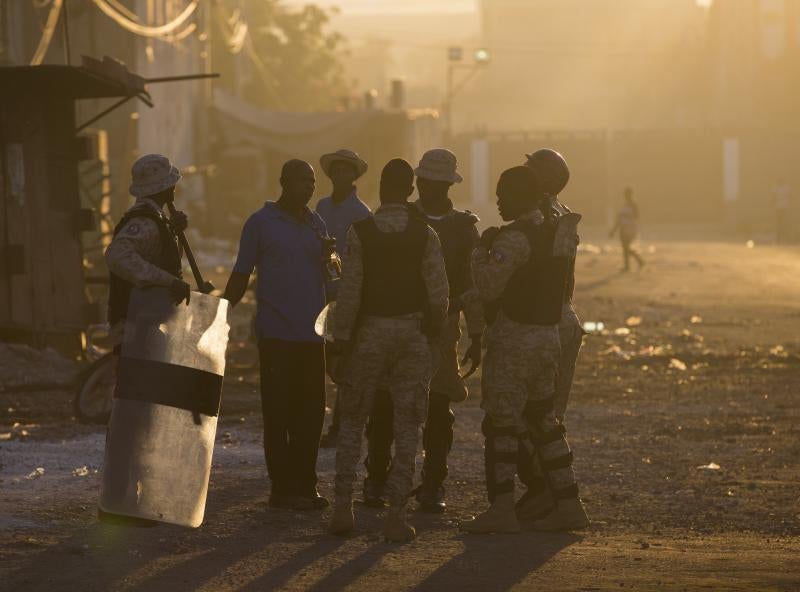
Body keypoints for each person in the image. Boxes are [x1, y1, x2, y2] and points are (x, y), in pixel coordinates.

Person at [461, 166, 588, 534]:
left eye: (504, 194)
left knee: (503, 424)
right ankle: (569, 504)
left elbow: (488, 287)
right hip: (548, 338)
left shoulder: (514, 238)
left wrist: (480, 251)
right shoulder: (556, 231)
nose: (498, 201)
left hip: (515, 340)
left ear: (522, 195)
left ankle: (502, 508)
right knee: (545, 423)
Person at [329, 158, 449, 542]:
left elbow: (350, 293)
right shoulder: (425, 234)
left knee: (353, 419)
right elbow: (439, 296)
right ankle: (397, 515)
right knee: (408, 424)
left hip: (369, 334)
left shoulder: (360, 232)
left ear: (381, 188)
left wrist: (340, 343)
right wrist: (434, 339)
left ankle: (342, 507)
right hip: (412, 335)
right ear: (410, 190)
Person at [361, 148, 483, 513]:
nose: (429, 187)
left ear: (447, 185)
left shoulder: (463, 229)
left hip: (442, 328)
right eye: (426, 181)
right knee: (385, 404)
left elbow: (471, 283)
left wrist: (477, 334)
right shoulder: (400, 218)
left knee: (438, 407)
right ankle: (377, 478)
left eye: (436, 182)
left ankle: (432, 483)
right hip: (398, 321)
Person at [223, 159, 331, 511]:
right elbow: (241, 273)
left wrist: (330, 260)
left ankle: (306, 485)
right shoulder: (260, 223)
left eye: (312, 182)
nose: (309, 187)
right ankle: (282, 488)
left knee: (310, 414)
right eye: (302, 180)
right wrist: (220, 312)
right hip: (277, 334)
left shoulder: (316, 224)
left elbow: (331, 276)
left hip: (313, 335)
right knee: (279, 412)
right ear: (283, 182)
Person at [506, 148, 584, 521]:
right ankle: (550, 494)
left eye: (530, 168)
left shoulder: (540, 218)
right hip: (558, 316)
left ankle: (548, 492)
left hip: (545, 320)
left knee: (532, 414)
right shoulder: (561, 215)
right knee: (543, 414)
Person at [315, 149, 371, 448]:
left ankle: (341, 426)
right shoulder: (322, 207)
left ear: (353, 175)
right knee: (321, 360)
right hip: (318, 293)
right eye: (336, 169)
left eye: (346, 170)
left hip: (348, 296)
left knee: (345, 362)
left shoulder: (362, 213)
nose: (340, 174)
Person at [105, 153, 191, 339]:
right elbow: (117, 255)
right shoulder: (144, 222)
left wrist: (173, 232)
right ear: (165, 188)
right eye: (171, 184)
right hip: (137, 327)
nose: (174, 187)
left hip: (149, 322)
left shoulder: (156, 219)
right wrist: (169, 282)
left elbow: (160, 257)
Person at [609, 187, 644, 272]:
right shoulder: (624, 205)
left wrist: (628, 219)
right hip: (623, 228)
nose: (626, 196)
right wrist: (613, 230)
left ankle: (635, 262)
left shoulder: (633, 205)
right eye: (626, 195)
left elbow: (636, 216)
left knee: (626, 247)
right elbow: (619, 219)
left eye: (628, 194)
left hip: (630, 229)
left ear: (631, 194)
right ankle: (632, 264)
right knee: (625, 247)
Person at [774, 179, 792, 244]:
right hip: (778, 207)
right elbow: (773, 197)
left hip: (785, 207)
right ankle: (779, 237)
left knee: (785, 222)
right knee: (779, 223)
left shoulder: (786, 187)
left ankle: (785, 236)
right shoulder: (776, 188)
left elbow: (790, 196)